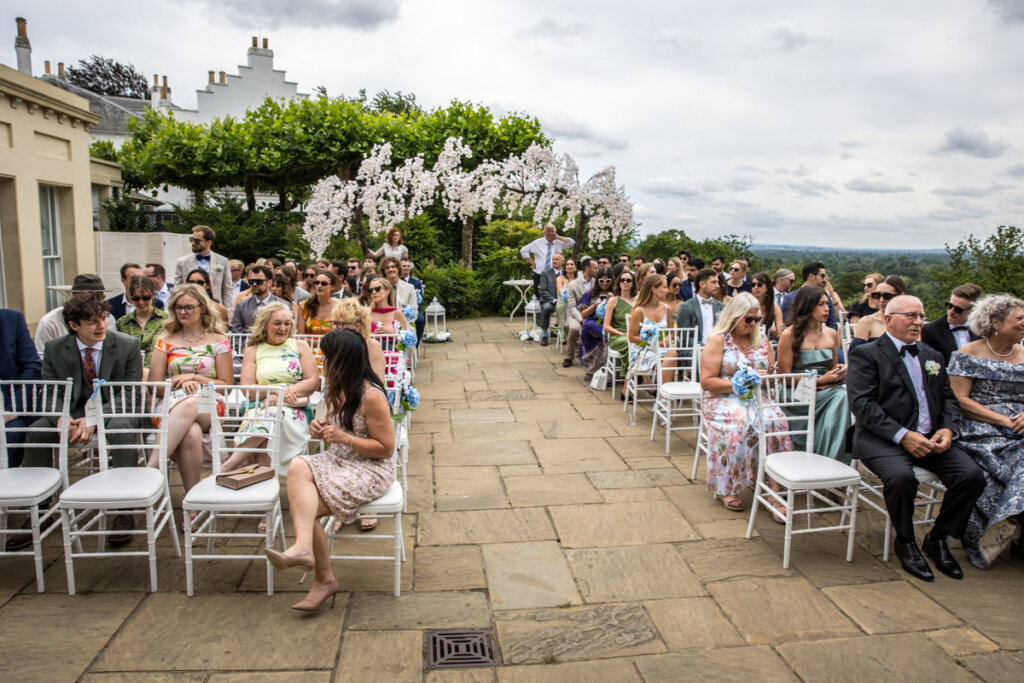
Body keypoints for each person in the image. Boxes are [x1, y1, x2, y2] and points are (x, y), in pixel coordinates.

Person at [847, 295, 985, 581]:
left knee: (972, 476)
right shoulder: (867, 354)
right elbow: (863, 405)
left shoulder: (932, 356)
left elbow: (949, 399)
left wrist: (948, 429)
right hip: (883, 438)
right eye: (911, 315)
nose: (918, 322)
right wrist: (903, 435)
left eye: (921, 316)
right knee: (901, 478)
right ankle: (906, 541)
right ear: (888, 319)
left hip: (930, 438)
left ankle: (938, 538)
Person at [265, 330, 395, 612]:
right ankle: (304, 548)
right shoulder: (336, 387)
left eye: (326, 357)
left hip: (369, 468)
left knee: (304, 507)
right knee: (298, 465)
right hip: (338, 459)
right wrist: (318, 428)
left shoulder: (371, 396)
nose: (322, 362)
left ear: (343, 359)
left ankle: (323, 579)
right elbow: (330, 425)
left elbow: (386, 449)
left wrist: (344, 438)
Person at [26, 297, 143, 545]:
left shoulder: (127, 344)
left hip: (114, 409)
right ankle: (40, 510)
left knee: (122, 429)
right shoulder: (55, 348)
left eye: (103, 318)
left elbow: (130, 393)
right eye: (92, 322)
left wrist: (94, 418)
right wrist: (61, 417)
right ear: (74, 325)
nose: (101, 326)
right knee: (37, 430)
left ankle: (124, 510)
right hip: (71, 410)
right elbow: (49, 391)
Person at [946, 295, 1024, 568]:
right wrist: (1004, 421)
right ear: (995, 323)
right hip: (981, 427)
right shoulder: (968, 353)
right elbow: (960, 401)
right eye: (1019, 318)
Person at [700, 293, 791, 515]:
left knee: (777, 421)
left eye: (757, 319)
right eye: (748, 319)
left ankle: (773, 488)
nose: (752, 324)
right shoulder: (719, 339)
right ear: (734, 317)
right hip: (722, 398)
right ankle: (728, 486)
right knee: (744, 423)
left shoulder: (762, 340)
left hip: (757, 397)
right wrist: (738, 383)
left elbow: (772, 372)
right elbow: (707, 382)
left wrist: (769, 375)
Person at [148, 284, 233, 497]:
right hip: (170, 404)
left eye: (188, 307)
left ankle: (151, 469)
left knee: (192, 402)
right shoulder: (165, 341)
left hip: (208, 404)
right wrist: (175, 383)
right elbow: (153, 385)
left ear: (202, 308)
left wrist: (196, 379)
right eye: (178, 307)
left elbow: (227, 385)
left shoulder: (219, 341)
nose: (182, 312)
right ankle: (192, 502)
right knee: (191, 434)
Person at [220, 303, 319, 479]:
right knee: (268, 423)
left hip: (293, 408)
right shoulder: (253, 350)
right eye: (277, 323)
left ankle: (228, 466)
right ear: (265, 325)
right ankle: (265, 487)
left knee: (272, 415)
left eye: (287, 323)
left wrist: (280, 395)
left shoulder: (300, 346)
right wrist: (275, 392)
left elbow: (312, 381)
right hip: (260, 406)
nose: (283, 328)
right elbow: (248, 389)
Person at [776, 286, 851, 463]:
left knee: (843, 397)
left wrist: (840, 371)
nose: (827, 309)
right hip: (797, 392)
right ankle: (832, 461)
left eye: (827, 304)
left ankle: (832, 460)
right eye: (821, 304)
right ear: (808, 306)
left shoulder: (831, 333)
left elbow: (832, 368)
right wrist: (819, 381)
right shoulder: (789, 335)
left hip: (828, 390)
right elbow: (784, 378)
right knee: (841, 398)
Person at [34, 274, 117, 354]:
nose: (101, 326)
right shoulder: (50, 323)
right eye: (90, 297)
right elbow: (43, 356)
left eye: (99, 297)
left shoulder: (108, 318)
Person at [0, 309, 41, 469]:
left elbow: (32, 368)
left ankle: (7, 481)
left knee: (12, 434)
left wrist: (13, 410)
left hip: (11, 408)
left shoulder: (11, 320)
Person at [626, 274, 676, 395]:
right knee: (666, 358)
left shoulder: (667, 309)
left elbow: (671, 332)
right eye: (664, 287)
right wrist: (651, 341)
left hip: (662, 349)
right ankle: (663, 396)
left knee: (673, 354)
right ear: (654, 289)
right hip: (642, 349)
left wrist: (668, 338)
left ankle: (662, 395)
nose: (668, 290)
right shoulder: (639, 311)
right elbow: (632, 337)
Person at [922, 283, 984, 365]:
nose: (951, 311)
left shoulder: (982, 330)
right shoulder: (929, 330)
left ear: (972, 311)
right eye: (949, 305)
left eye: (958, 309)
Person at [115, 275, 169, 371]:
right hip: (131, 373)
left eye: (145, 298)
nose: (141, 302)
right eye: (136, 298)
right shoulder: (122, 323)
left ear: (153, 295)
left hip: (159, 371)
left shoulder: (167, 320)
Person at [331, 298, 388, 386]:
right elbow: (329, 379)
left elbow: (378, 382)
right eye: (334, 323)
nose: (335, 328)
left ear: (357, 327)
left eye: (340, 324)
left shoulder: (371, 346)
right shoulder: (335, 345)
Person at [174, 225, 233, 304]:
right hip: (191, 305)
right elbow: (178, 289)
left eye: (197, 241)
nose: (193, 243)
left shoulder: (223, 261)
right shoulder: (182, 262)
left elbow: (227, 289)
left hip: (214, 305)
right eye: (192, 239)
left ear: (208, 242)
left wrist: (227, 310)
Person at [850, 276, 906, 353]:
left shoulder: (911, 321)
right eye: (877, 295)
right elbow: (855, 355)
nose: (881, 300)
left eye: (887, 296)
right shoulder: (867, 322)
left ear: (901, 296)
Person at [578, 267, 615, 382]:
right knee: (587, 327)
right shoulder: (590, 294)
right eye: (601, 281)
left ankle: (608, 372)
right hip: (593, 322)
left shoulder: (616, 294)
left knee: (607, 333)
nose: (604, 283)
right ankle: (591, 371)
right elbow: (583, 314)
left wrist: (613, 300)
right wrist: (595, 305)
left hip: (611, 323)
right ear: (597, 281)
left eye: (608, 281)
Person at [780, 262, 838, 331]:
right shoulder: (790, 298)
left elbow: (832, 325)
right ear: (811, 276)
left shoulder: (825, 297)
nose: (825, 280)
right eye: (822, 276)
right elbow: (787, 325)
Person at [520, 224, 575, 293]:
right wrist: (532, 263)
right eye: (548, 231)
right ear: (544, 232)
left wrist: (559, 237)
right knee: (539, 295)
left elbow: (572, 242)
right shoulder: (537, 243)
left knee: (556, 294)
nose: (551, 233)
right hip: (539, 274)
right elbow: (523, 250)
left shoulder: (559, 242)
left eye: (552, 231)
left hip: (555, 275)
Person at [230, 265, 285, 334]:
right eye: (251, 281)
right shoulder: (241, 306)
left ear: (269, 283)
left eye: (259, 281)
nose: (254, 284)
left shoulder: (284, 305)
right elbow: (236, 333)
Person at [676, 268, 725, 345]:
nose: (718, 286)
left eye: (717, 282)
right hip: (695, 350)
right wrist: (704, 348)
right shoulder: (686, 307)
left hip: (718, 349)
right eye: (713, 282)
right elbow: (684, 337)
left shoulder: (722, 307)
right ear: (702, 284)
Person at [603, 269, 636, 380]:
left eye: (628, 280)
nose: (625, 282)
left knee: (641, 343)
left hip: (632, 334)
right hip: (617, 336)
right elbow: (606, 326)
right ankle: (630, 376)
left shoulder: (637, 301)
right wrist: (622, 334)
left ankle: (632, 377)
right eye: (622, 280)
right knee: (631, 343)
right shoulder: (613, 301)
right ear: (619, 283)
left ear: (633, 283)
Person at [537, 251, 564, 347]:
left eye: (557, 259)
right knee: (546, 308)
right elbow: (543, 291)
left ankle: (563, 334)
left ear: (562, 261)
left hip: (565, 302)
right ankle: (544, 335)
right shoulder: (546, 273)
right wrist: (554, 300)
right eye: (553, 259)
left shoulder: (566, 273)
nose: (554, 261)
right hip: (550, 301)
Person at [300, 270, 340, 335]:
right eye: (317, 283)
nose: (319, 286)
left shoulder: (339, 308)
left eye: (324, 283)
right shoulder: (304, 306)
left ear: (333, 287)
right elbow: (300, 336)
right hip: (307, 342)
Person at [751, 272, 784, 340]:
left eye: (760, 284)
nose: (756, 287)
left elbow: (780, 330)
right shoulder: (747, 305)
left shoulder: (774, 308)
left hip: (765, 342)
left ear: (767, 287)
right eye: (753, 284)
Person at [400, 257, 426, 341]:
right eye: (404, 266)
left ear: (411, 268)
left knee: (421, 320)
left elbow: (419, 300)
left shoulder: (416, 282)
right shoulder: (397, 281)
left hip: (413, 309)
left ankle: (415, 343)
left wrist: (411, 311)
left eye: (408, 266)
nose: (406, 268)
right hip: (398, 308)